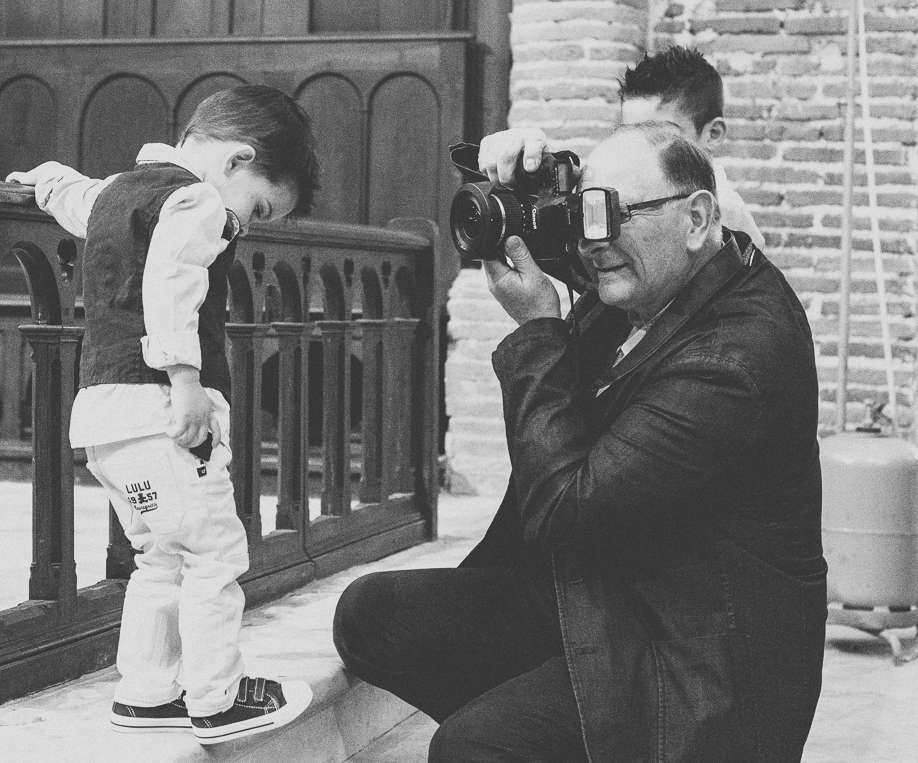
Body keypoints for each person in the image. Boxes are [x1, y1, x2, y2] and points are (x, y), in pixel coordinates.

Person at [333, 122, 827, 762]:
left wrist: (540, 330)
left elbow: (569, 514)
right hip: (615, 590)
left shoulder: (735, 357)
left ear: (698, 218)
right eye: (583, 213)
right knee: (373, 616)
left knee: (474, 749)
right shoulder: (660, 272)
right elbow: (586, 245)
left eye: (610, 214)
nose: (594, 244)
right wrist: (513, 176)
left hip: (696, 653)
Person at [7, 85, 320, 744]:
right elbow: (172, 280)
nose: (248, 223)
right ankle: (217, 697)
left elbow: (75, 196)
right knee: (213, 553)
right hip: (159, 408)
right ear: (236, 160)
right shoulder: (200, 199)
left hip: (101, 412)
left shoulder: (121, 191)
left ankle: (148, 692)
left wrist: (42, 181)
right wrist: (185, 378)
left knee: (159, 557)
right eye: (258, 206)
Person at [481, 46, 766, 250]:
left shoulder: (723, 212)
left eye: (660, 137)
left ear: (713, 134)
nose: (639, 152)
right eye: (629, 135)